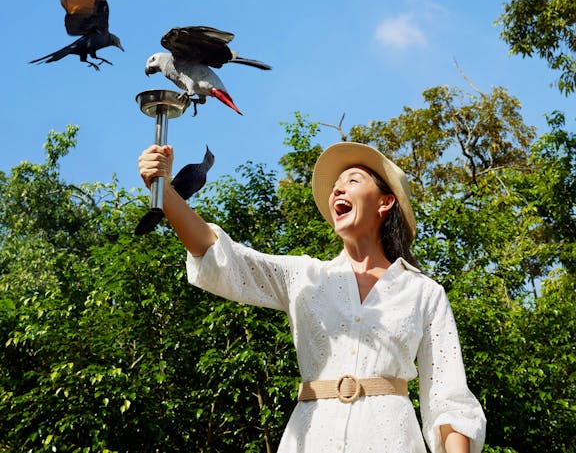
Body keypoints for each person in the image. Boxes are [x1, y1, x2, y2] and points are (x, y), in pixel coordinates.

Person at [138, 141, 486, 453]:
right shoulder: (305, 276)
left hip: (390, 438)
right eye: (335, 186)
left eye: (352, 180)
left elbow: (448, 397)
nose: (338, 190)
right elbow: (223, 258)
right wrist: (165, 192)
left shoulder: (423, 292)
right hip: (311, 436)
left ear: (385, 202)